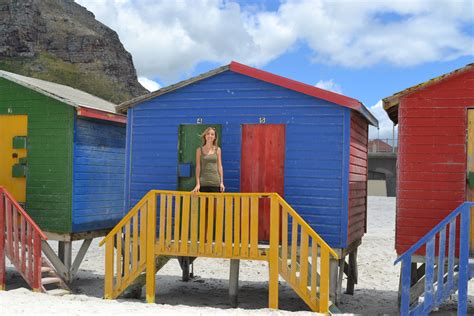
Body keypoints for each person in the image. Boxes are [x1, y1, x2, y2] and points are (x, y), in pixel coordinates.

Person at [192, 127, 225, 193]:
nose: (210, 136)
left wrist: (221, 182)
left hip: (215, 183)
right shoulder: (199, 150)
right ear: (205, 136)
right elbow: (198, 167)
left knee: (215, 203)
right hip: (203, 183)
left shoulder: (218, 150)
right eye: (208, 134)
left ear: (215, 137)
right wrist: (197, 184)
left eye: (212, 134)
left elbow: (220, 166)